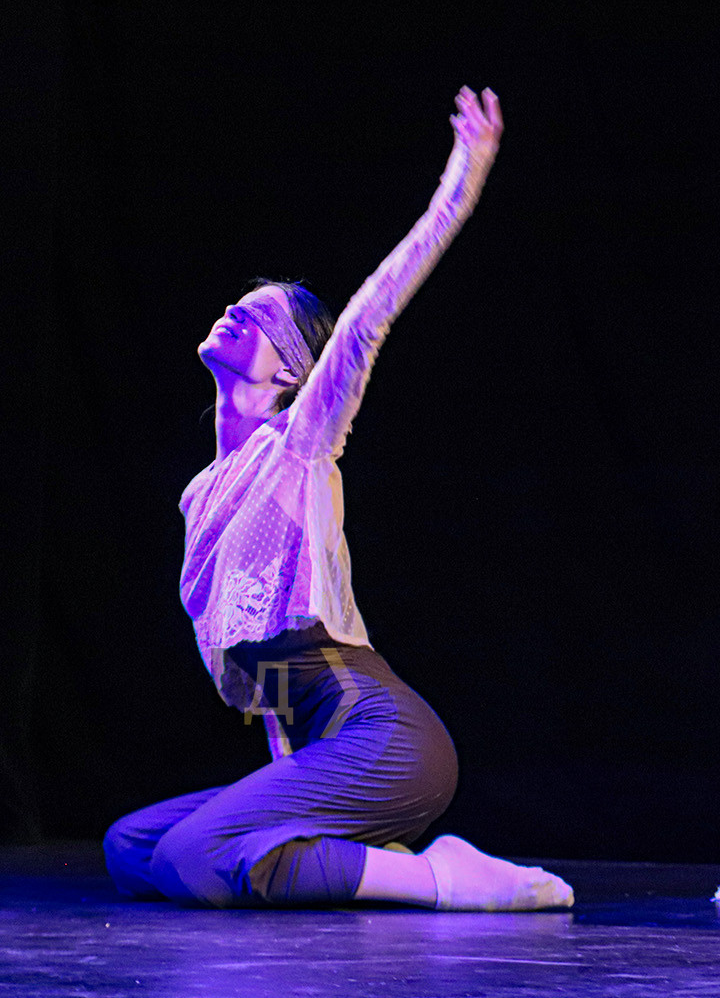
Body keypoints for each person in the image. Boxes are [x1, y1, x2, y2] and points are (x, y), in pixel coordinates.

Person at [103, 87, 573, 910]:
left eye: (255, 318)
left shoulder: (301, 444)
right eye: (235, 306)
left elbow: (366, 321)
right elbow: (273, 689)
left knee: (193, 858)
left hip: (385, 737)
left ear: (292, 370)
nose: (231, 313)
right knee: (132, 846)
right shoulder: (202, 495)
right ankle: (347, 858)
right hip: (322, 749)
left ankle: (447, 877)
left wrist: (462, 181)